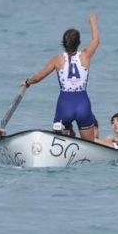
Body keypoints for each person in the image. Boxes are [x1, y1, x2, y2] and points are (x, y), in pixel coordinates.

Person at [21, 12, 102, 140]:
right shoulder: (85, 56)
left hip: (65, 104)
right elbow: (96, 41)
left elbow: (37, 78)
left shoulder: (57, 60)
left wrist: (27, 82)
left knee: (58, 141)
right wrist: (93, 23)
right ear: (79, 42)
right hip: (83, 103)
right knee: (89, 145)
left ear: (63, 43)